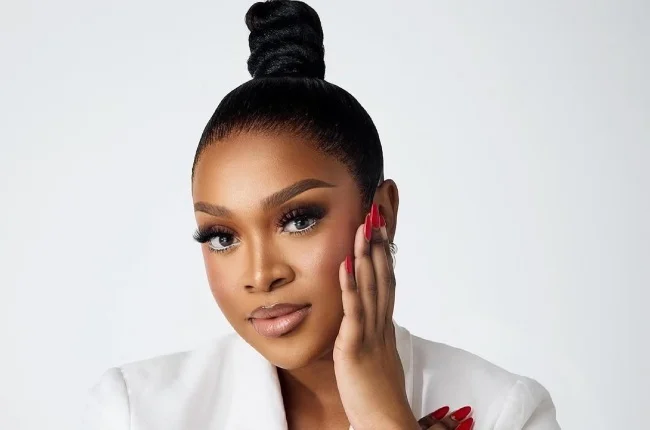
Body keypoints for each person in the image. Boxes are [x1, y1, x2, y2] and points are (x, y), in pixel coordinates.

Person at [83, 1, 561, 429]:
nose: (261, 275)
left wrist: (384, 417)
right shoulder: (136, 412)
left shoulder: (504, 411)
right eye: (222, 236)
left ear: (381, 213)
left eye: (298, 220)